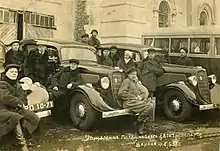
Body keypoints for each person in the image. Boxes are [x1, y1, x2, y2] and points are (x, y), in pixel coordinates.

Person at [0, 64, 40, 151]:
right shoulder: (2, 84)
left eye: (16, 72)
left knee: (33, 117)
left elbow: (23, 98)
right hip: (3, 109)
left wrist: (23, 103)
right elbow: (5, 98)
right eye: (11, 72)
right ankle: (22, 144)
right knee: (16, 117)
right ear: (6, 73)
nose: (14, 74)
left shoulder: (18, 85)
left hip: (15, 108)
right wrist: (19, 103)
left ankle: (27, 138)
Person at [118, 67, 155, 135]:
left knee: (151, 103)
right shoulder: (127, 81)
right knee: (149, 106)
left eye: (135, 74)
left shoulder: (135, 82)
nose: (134, 76)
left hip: (135, 102)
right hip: (129, 103)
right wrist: (134, 97)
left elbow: (142, 91)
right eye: (132, 74)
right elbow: (121, 93)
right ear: (128, 75)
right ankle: (138, 123)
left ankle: (139, 123)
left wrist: (141, 97)